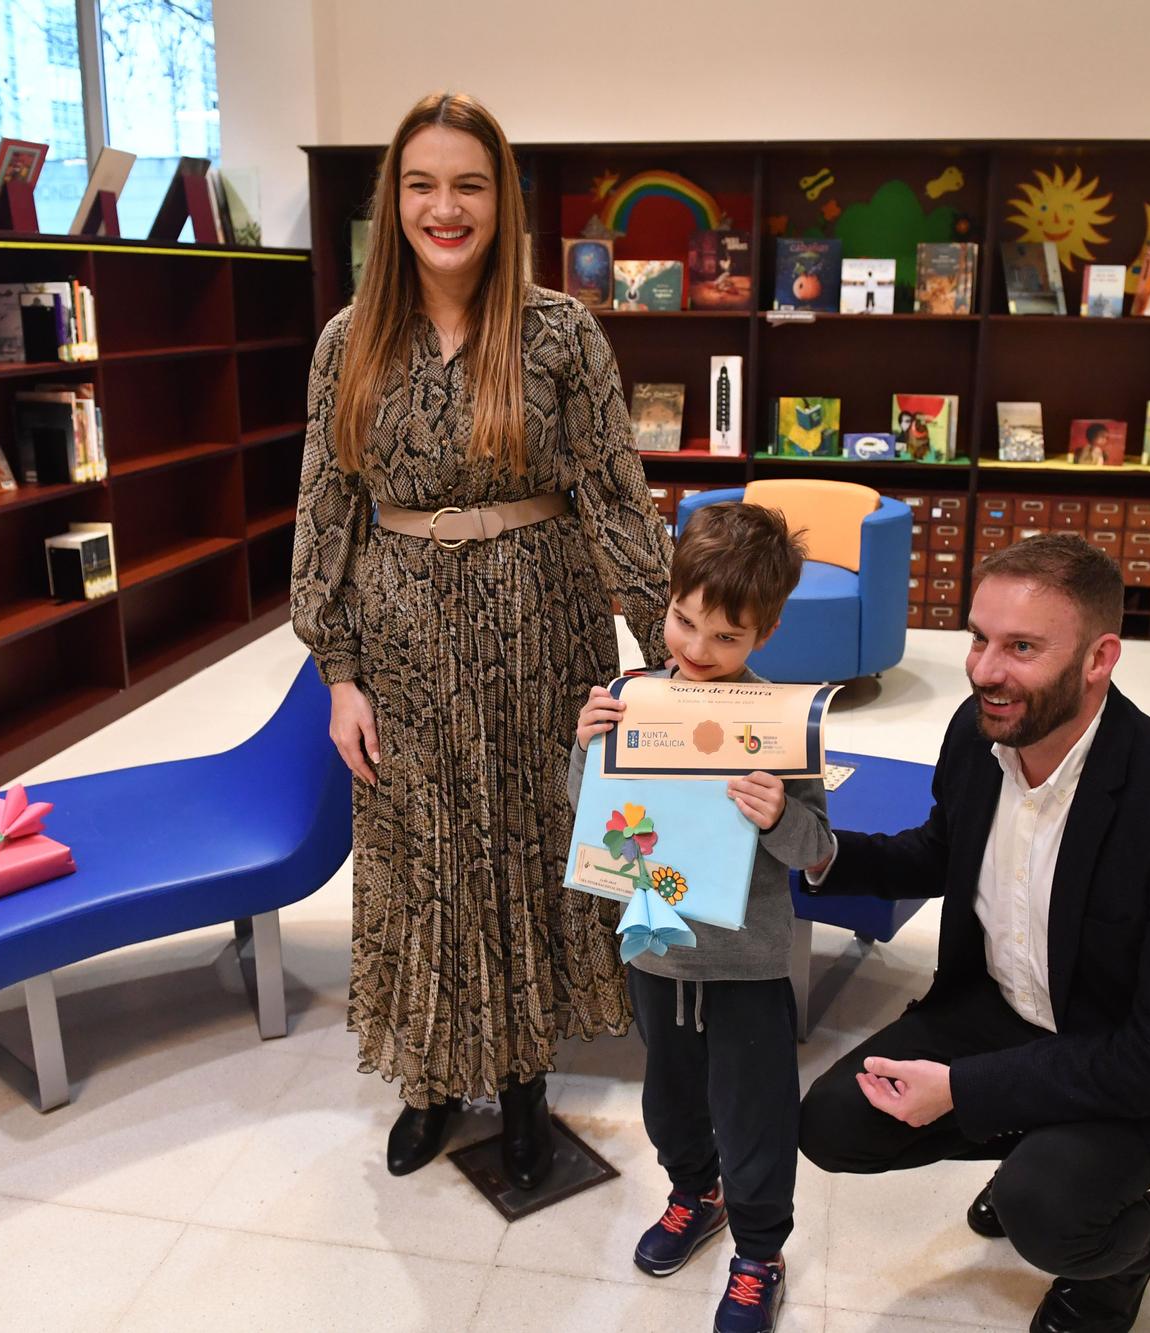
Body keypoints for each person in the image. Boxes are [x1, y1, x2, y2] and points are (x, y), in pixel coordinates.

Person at [289, 90, 674, 1189]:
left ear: (501, 202)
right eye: (421, 185)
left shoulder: (559, 332)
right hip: (402, 638)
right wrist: (338, 670)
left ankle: (521, 1086)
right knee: (423, 860)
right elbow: (325, 507)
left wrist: (671, 649)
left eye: (467, 185)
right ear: (393, 200)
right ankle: (427, 1079)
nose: (443, 207)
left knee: (527, 850)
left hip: (540, 628)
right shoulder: (344, 343)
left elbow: (612, 491)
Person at [796, 534, 1150, 1333]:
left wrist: (968, 1093)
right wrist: (817, 854)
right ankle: (1036, 1141)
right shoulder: (978, 737)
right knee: (830, 1122)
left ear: (1098, 658)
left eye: (1020, 647)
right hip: (1006, 1013)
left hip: (1139, 1066)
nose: (983, 669)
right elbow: (943, 849)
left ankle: (1121, 1265)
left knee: (1048, 1205)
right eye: (979, 637)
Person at [571, 503, 834, 1333]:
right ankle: (696, 1195)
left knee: (756, 1115)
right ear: (669, 598)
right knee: (670, 1106)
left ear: (765, 632)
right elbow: (589, 820)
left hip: (749, 968)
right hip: (657, 954)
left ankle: (759, 1251)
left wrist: (778, 816)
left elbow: (818, 848)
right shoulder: (634, 698)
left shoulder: (777, 722)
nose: (696, 649)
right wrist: (586, 751)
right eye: (684, 621)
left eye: (727, 637)